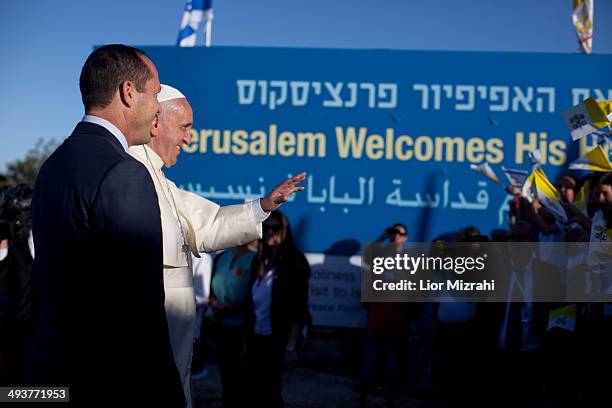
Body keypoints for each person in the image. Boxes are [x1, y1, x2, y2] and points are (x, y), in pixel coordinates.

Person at [24, 45, 185, 406]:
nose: (159, 109)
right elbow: (141, 308)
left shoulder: (52, 166)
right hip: (104, 382)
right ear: (129, 93)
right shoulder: (123, 172)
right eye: (156, 95)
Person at [128, 84, 306, 407]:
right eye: (184, 127)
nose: (188, 139)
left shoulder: (161, 183)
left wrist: (264, 205)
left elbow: (209, 225)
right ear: (156, 123)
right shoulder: (129, 175)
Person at [247, 211, 311, 407]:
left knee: (272, 392)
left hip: (280, 338)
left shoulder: (295, 262)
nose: (270, 232)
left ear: (285, 231)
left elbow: (299, 309)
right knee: (256, 391)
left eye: (275, 228)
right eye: (266, 228)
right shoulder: (258, 260)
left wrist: (291, 347)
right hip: (257, 337)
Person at [208, 240, 258, 408]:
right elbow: (211, 287)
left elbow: (256, 294)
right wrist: (213, 301)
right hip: (221, 326)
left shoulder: (255, 259)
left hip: (244, 329)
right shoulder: (222, 257)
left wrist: (237, 307)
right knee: (226, 377)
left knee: (243, 379)